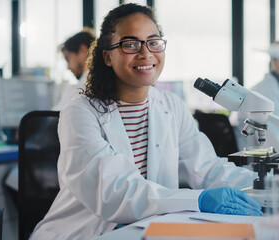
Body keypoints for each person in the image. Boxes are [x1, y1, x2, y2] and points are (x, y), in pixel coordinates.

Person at [30, 3, 261, 240]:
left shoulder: (172, 106)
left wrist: (263, 187)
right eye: (130, 44)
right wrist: (198, 199)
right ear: (108, 56)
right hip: (83, 233)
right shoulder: (80, 111)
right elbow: (115, 192)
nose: (146, 53)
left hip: (148, 230)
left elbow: (207, 168)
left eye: (153, 41)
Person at [53, 28, 96, 110]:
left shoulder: (79, 89)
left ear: (83, 51)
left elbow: (52, 119)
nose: (68, 67)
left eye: (68, 58)